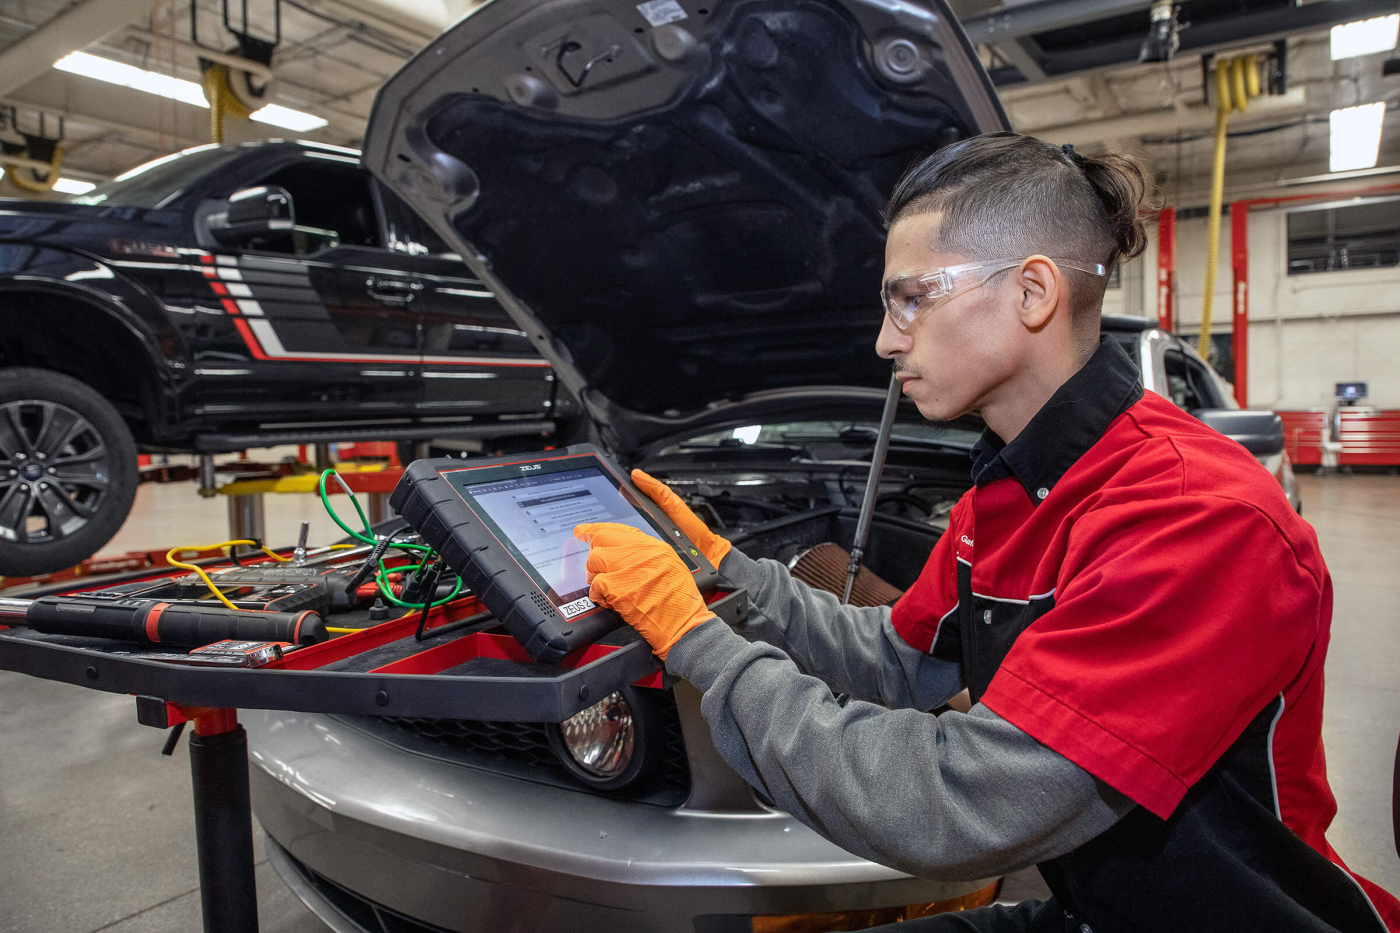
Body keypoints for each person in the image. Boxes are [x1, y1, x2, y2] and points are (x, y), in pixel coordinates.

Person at [573, 132, 1400, 932]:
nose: (885, 338)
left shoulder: (1195, 520)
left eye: (912, 298)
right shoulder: (1010, 486)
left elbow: (956, 803)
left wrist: (696, 641)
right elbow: (897, 663)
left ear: (1032, 292)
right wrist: (732, 578)